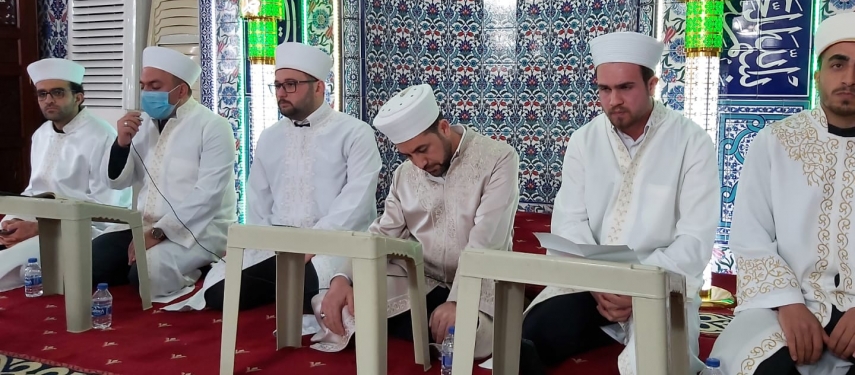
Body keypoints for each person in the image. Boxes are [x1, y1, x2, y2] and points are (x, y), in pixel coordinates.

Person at [710, 12, 855, 375]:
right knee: (757, 367)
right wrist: (787, 304)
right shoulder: (775, 143)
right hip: (782, 306)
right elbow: (750, 234)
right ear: (818, 76)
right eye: (837, 64)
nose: (849, 78)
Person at [518, 31, 719, 374]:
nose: (614, 100)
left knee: (654, 363)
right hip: (592, 285)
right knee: (525, 340)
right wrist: (600, 284)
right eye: (604, 89)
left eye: (625, 88)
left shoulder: (692, 143)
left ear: (652, 84)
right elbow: (569, 223)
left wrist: (637, 286)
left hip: (660, 285)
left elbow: (694, 241)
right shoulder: (584, 140)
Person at [165, 42, 381, 327]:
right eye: (277, 85)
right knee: (219, 292)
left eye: (291, 85)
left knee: (309, 285)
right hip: (278, 246)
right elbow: (259, 201)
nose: (281, 93)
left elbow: (356, 203)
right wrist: (262, 243)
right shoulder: (269, 137)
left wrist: (311, 245)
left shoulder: (355, 133)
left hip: (334, 243)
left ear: (319, 87)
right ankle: (281, 285)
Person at [315, 84, 519, 358]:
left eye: (423, 149)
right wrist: (342, 279)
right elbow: (381, 235)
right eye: (409, 155)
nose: (420, 163)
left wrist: (459, 301)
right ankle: (430, 328)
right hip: (421, 281)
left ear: (444, 128)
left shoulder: (498, 158)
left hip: (482, 283)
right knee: (340, 304)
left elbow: (487, 240)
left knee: (465, 331)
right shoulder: (405, 174)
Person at [92, 46, 237, 300]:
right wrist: (121, 144)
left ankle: (202, 266)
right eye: (144, 86)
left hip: (199, 229)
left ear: (181, 90)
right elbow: (118, 182)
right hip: (145, 225)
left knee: (147, 276)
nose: (147, 93)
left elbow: (208, 196)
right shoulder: (142, 125)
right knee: (91, 261)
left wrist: (160, 232)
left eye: (155, 86)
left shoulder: (213, 126)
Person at [0, 58, 131, 291]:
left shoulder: (102, 136)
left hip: (83, 228)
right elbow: (33, 191)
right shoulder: (41, 135)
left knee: (24, 265)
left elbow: (105, 208)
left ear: (78, 97)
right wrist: (15, 220)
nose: (48, 100)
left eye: (57, 93)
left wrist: (41, 228)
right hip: (40, 220)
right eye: (42, 94)